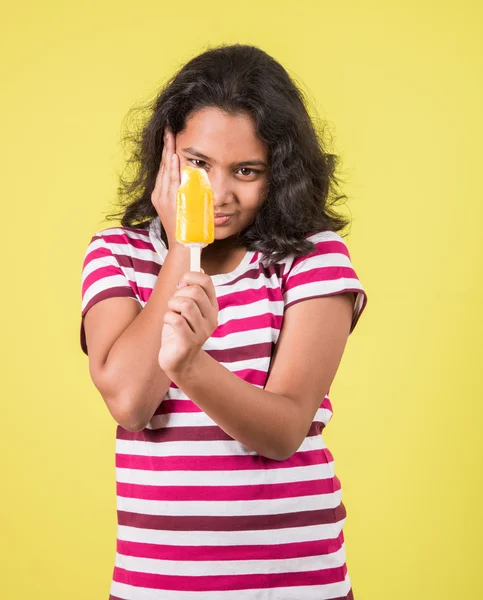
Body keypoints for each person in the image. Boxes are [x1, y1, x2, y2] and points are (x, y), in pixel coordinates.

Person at [80, 43, 367, 600]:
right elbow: (128, 401)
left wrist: (189, 365)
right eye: (197, 165)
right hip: (159, 585)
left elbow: (284, 432)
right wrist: (182, 247)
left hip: (296, 582)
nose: (219, 193)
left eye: (247, 170)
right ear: (166, 153)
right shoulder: (116, 254)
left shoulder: (313, 259)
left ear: (279, 170)